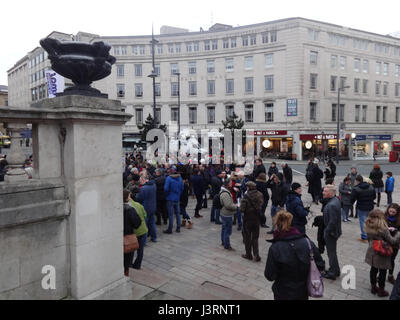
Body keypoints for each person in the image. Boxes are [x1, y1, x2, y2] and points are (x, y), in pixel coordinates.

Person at [264, 210, 325, 300]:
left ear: (277, 225)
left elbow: (269, 275)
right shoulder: (307, 243)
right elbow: (320, 265)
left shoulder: (275, 247)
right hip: (302, 291)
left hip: (282, 292)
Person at [365, 209, 400, 297]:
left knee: (373, 269)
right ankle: (381, 290)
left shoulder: (368, 225)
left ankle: (373, 287)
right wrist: (398, 234)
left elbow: (369, 239)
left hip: (372, 250)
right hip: (382, 252)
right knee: (383, 272)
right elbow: (392, 241)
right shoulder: (383, 229)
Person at [321, 184, 342, 280]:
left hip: (331, 233)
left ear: (331, 193)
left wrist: (326, 231)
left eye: (325, 191)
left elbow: (332, 221)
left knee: (331, 253)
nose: (323, 192)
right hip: (334, 231)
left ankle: (333, 272)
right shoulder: (335, 200)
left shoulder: (332, 204)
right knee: (332, 252)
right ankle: (335, 270)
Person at [240, 181, 264, 261]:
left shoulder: (246, 196)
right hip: (256, 218)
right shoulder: (260, 194)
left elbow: (242, 209)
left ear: (248, 187)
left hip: (248, 219)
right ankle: (256, 255)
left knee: (247, 237)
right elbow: (261, 204)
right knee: (255, 238)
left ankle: (248, 254)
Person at [351, 175, 376, 243]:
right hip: (370, 207)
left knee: (362, 222)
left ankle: (364, 237)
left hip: (361, 207)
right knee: (370, 221)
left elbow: (352, 198)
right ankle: (371, 235)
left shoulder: (356, 189)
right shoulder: (371, 186)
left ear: (357, 181)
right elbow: (374, 197)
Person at [123, 190, 142, 276]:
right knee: (127, 257)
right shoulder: (130, 210)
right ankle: (126, 272)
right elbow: (137, 223)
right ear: (127, 198)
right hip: (127, 236)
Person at [129, 190, 149, 270]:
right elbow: (144, 215)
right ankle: (137, 265)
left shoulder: (127, 207)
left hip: (134, 232)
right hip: (143, 230)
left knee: (131, 250)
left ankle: (129, 264)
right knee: (140, 250)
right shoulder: (138, 205)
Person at [135, 174, 157, 242]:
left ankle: (144, 241)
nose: (140, 182)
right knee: (152, 223)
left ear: (143, 180)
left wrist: (136, 194)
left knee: (145, 225)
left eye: (140, 181)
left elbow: (138, 198)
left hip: (146, 208)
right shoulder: (153, 185)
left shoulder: (143, 188)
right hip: (153, 207)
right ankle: (154, 237)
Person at [163, 166, 184, 234]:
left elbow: (166, 189)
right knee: (177, 213)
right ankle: (178, 228)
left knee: (171, 214)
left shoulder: (169, 178)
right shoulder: (180, 178)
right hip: (177, 198)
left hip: (170, 198)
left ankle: (170, 229)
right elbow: (182, 188)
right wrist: (178, 194)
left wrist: (167, 195)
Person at [219, 178, 237, 250]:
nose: (231, 184)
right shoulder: (225, 193)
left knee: (224, 228)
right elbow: (228, 205)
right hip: (227, 214)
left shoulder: (225, 190)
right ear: (227, 184)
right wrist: (236, 206)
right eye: (230, 183)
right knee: (227, 230)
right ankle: (227, 245)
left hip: (224, 213)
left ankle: (223, 241)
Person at [385, 203, 400, 284]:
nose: (391, 213)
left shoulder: (399, 220)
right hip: (384, 242)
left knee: (391, 260)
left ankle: (390, 275)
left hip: (394, 243)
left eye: (393, 212)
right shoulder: (384, 217)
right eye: (390, 211)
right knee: (383, 259)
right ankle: (381, 274)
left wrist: (395, 229)